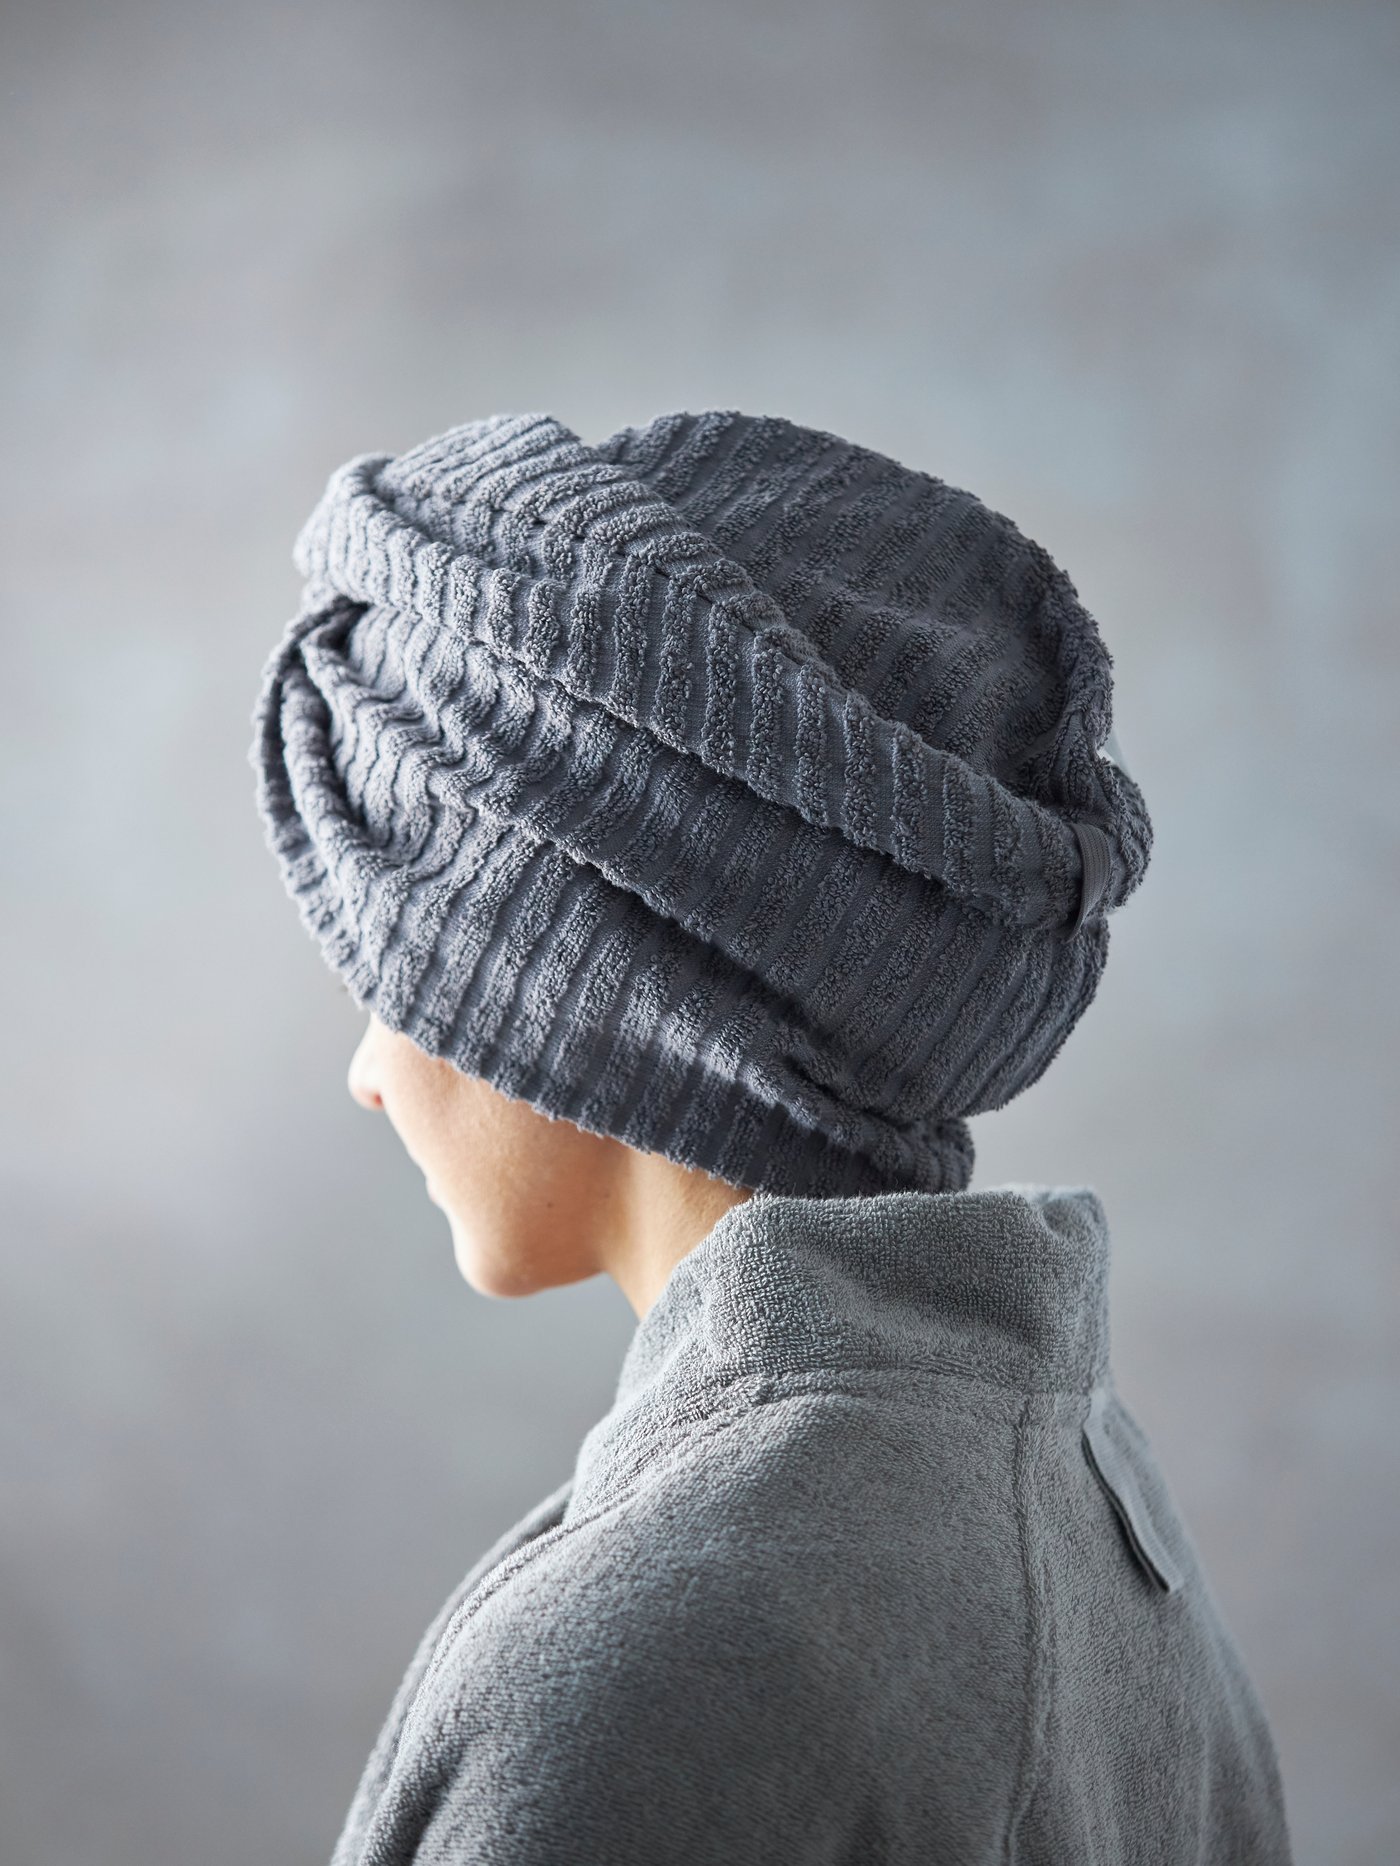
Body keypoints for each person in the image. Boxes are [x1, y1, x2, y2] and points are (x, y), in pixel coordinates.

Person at [250, 408, 1294, 1863]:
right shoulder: (1100, 1511)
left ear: (588, 998)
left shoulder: (645, 1673)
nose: (370, 1073)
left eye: (395, 979)